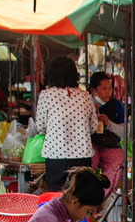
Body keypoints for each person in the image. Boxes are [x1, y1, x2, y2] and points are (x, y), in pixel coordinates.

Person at [34, 56, 98, 191]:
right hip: (82, 156)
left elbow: (40, 127)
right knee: (80, 195)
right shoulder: (85, 96)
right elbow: (93, 127)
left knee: (58, 195)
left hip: (56, 156)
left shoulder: (46, 95)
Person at [88, 70, 127, 185]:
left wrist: (109, 124)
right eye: (104, 89)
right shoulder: (86, 103)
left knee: (116, 165)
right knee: (89, 167)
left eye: (110, 88)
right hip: (91, 146)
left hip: (111, 146)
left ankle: (103, 196)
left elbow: (126, 132)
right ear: (93, 90)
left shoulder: (117, 105)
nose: (108, 92)